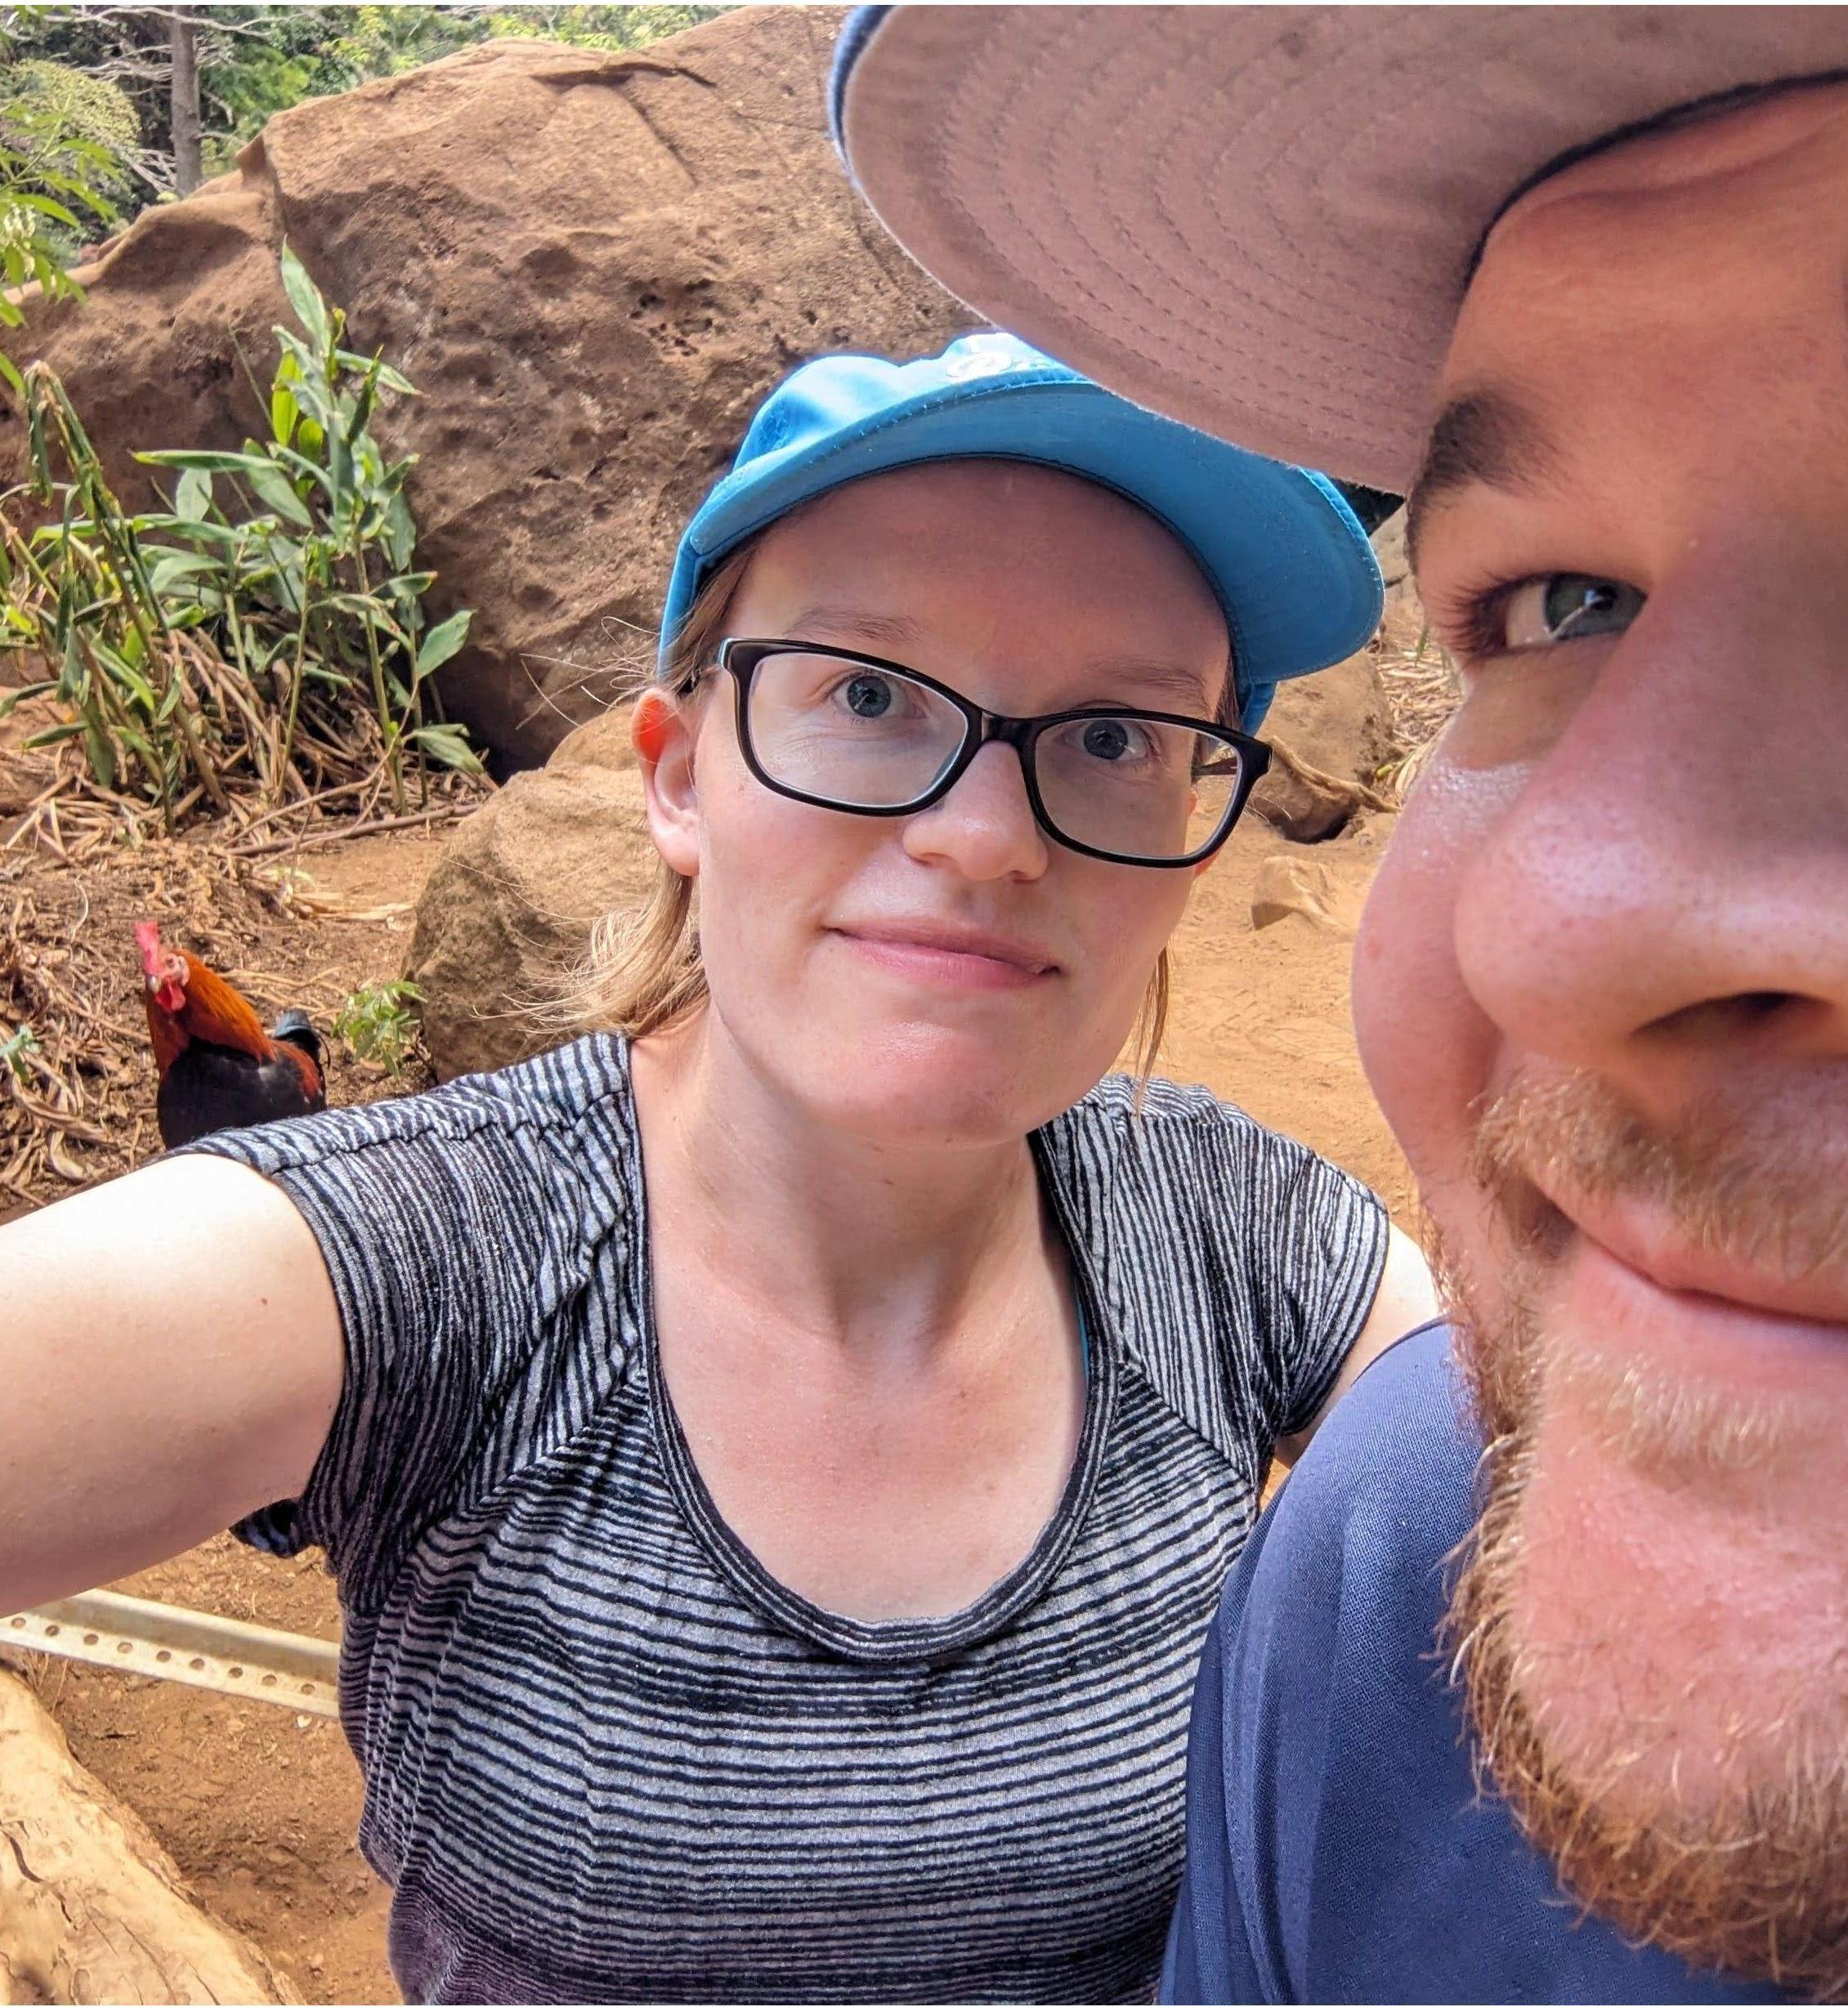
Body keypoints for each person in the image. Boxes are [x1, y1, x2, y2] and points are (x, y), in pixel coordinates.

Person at [0, 330, 1438, 2004]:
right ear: (681, 773)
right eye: (870, 695)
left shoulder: (1247, 1239)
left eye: (1114, 734)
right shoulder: (440, 1259)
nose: (986, 834)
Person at [832, 11, 1848, 2003]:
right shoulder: (1407, 1570)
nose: (1555, 928)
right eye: (1564, 601)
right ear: (666, 764)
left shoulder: (1268, 1276)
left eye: (1109, 733)